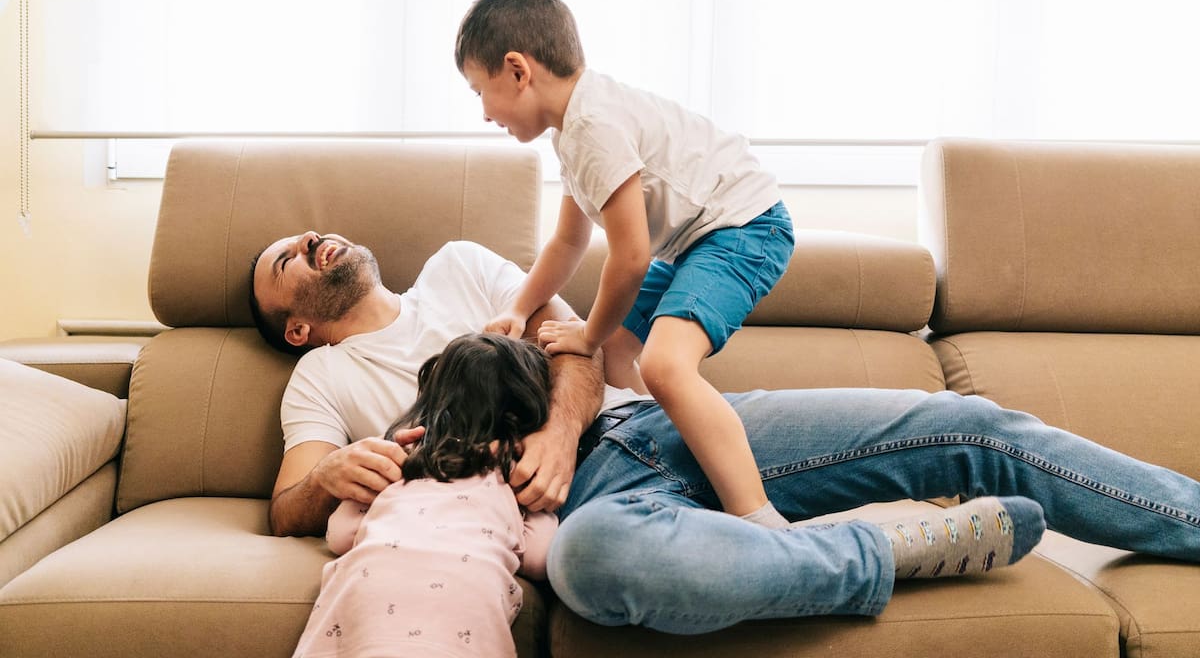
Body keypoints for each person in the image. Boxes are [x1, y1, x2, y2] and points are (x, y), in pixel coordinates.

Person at [252, 230, 1200, 635]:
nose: (311, 241)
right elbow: (289, 501)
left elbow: (580, 351)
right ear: (295, 323)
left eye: (307, 233)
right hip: (591, 520)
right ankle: (882, 552)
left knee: (970, 426)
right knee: (592, 573)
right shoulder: (321, 378)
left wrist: (556, 430)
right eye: (284, 260)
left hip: (661, 431)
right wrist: (335, 470)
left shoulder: (461, 268)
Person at [455, 0, 795, 528]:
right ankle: (660, 458)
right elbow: (570, 239)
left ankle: (758, 517)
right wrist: (520, 308)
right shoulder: (572, 131)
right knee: (616, 349)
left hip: (745, 226)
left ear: (518, 71)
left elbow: (632, 257)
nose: (485, 114)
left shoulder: (592, 126)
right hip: (700, 236)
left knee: (662, 363)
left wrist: (585, 333)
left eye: (479, 93)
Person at [291, 332, 558, 658]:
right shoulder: (512, 473)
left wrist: (361, 503)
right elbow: (539, 558)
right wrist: (539, 511)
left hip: (371, 588)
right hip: (465, 596)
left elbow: (340, 535)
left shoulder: (399, 459)